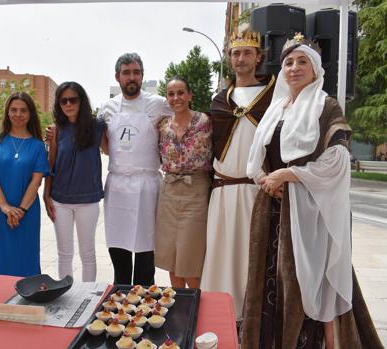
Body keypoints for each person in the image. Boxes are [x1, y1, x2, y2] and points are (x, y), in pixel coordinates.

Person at [243, 33, 383, 349]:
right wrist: (265, 178)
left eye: (302, 61)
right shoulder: (276, 110)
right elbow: (256, 157)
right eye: (289, 62)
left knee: (316, 285)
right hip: (274, 211)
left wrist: (288, 174)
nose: (294, 68)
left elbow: (336, 162)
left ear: (316, 68)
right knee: (272, 284)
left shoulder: (326, 107)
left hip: (310, 211)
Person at [200, 31, 275, 320]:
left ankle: (251, 315)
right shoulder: (220, 100)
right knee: (220, 253)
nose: (240, 58)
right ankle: (220, 311)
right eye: (235, 53)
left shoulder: (273, 97)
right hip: (222, 191)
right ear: (229, 59)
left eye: (247, 52)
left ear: (259, 57)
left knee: (252, 254)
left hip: (257, 191)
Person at [98, 52, 172, 286]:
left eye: (136, 72)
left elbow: (179, 126)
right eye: (126, 73)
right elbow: (102, 142)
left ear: (142, 76)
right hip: (118, 185)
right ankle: (120, 299)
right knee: (119, 249)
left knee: (145, 252)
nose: (132, 77)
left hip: (147, 186)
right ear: (117, 77)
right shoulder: (106, 108)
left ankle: (145, 305)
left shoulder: (159, 103)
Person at [43, 82, 105, 282]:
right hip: (60, 200)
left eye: (73, 99)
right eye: (63, 101)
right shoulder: (56, 130)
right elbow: (50, 165)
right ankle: (66, 296)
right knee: (64, 254)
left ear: (81, 101)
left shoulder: (97, 127)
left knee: (87, 254)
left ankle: (88, 296)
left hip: (88, 200)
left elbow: (114, 150)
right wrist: (46, 196)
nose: (68, 104)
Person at [0, 92, 49, 277]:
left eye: (23, 110)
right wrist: (5, 207)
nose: (18, 114)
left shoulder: (37, 146)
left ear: (30, 114)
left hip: (26, 212)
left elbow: (36, 181)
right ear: (7, 112)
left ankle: (26, 298)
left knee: (24, 256)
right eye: (13, 110)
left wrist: (20, 210)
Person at [154, 77, 212, 289]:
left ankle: (196, 309)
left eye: (180, 93)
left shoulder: (204, 121)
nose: (176, 98)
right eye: (171, 94)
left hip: (195, 190)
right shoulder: (162, 126)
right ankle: (179, 307)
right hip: (169, 190)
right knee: (171, 256)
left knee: (190, 258)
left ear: (189, 95)